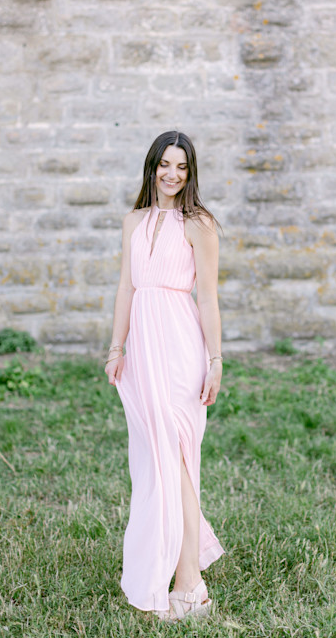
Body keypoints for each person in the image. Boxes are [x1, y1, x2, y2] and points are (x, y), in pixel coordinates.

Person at [104, 131, 225, 622]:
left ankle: (190, 584)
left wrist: (215, 360)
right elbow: (126, 289)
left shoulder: (199, 224)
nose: (172, 174)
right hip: (142, 351)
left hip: (179, 346)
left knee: (175, 456)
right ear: (152, 166)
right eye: (165, 164)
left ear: (190, 172)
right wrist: (116, 347)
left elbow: (208, 298)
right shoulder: (133, 221)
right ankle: (181, 572)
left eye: (182, 166)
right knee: (157, 460)